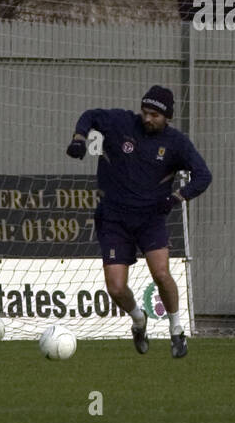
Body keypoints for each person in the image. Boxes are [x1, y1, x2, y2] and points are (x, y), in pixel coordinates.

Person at [67, 86, 211, 358]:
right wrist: (78, 139)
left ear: (167, 117)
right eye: (145, 112)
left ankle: (176, 330)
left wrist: (177, 197)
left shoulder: (177, 143)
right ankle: (138, 320)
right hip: (113, 219)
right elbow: (89, 116)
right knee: (116, 287)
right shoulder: (121, 122)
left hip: (150, 220)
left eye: (155, 115)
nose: (148, 119)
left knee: (161, 274)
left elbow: (203, 176)